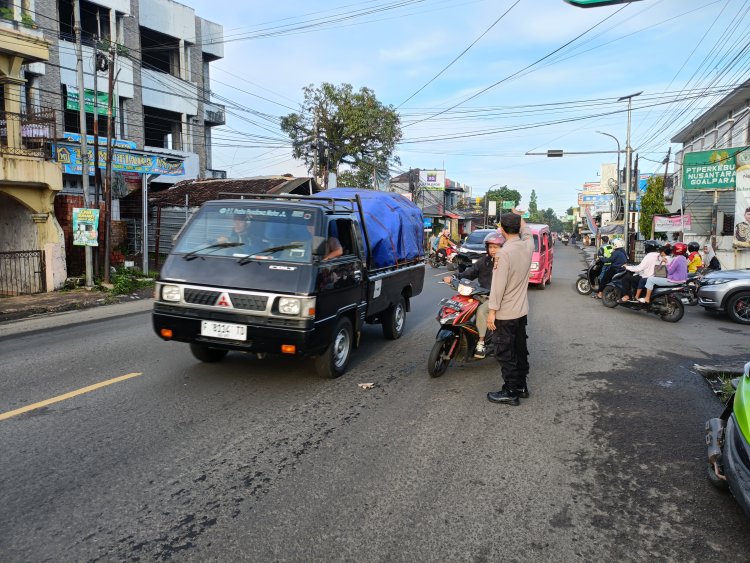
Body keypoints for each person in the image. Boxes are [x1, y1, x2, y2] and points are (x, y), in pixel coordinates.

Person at [486, 210, 534, 406]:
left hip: (505, 314)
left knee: (506, 353)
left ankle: (510, 391)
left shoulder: (504, 253)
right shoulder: (528, 246)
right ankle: (521, 386)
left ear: (502, 229)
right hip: (521, 312)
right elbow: (528, 231)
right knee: (520, 350)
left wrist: (491, 312)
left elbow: (498, 287)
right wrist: (519, 218)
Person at [443, 232, 505, 359]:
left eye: (496, 247)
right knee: (461, 305)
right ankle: (464, 334)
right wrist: (454, 277)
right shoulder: (484, 261)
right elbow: (470, 273)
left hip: (498, 298)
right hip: (482, 294)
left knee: (481, 311)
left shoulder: (506, 264)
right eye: (490, 247)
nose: (493, 250)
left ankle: (481, 343)